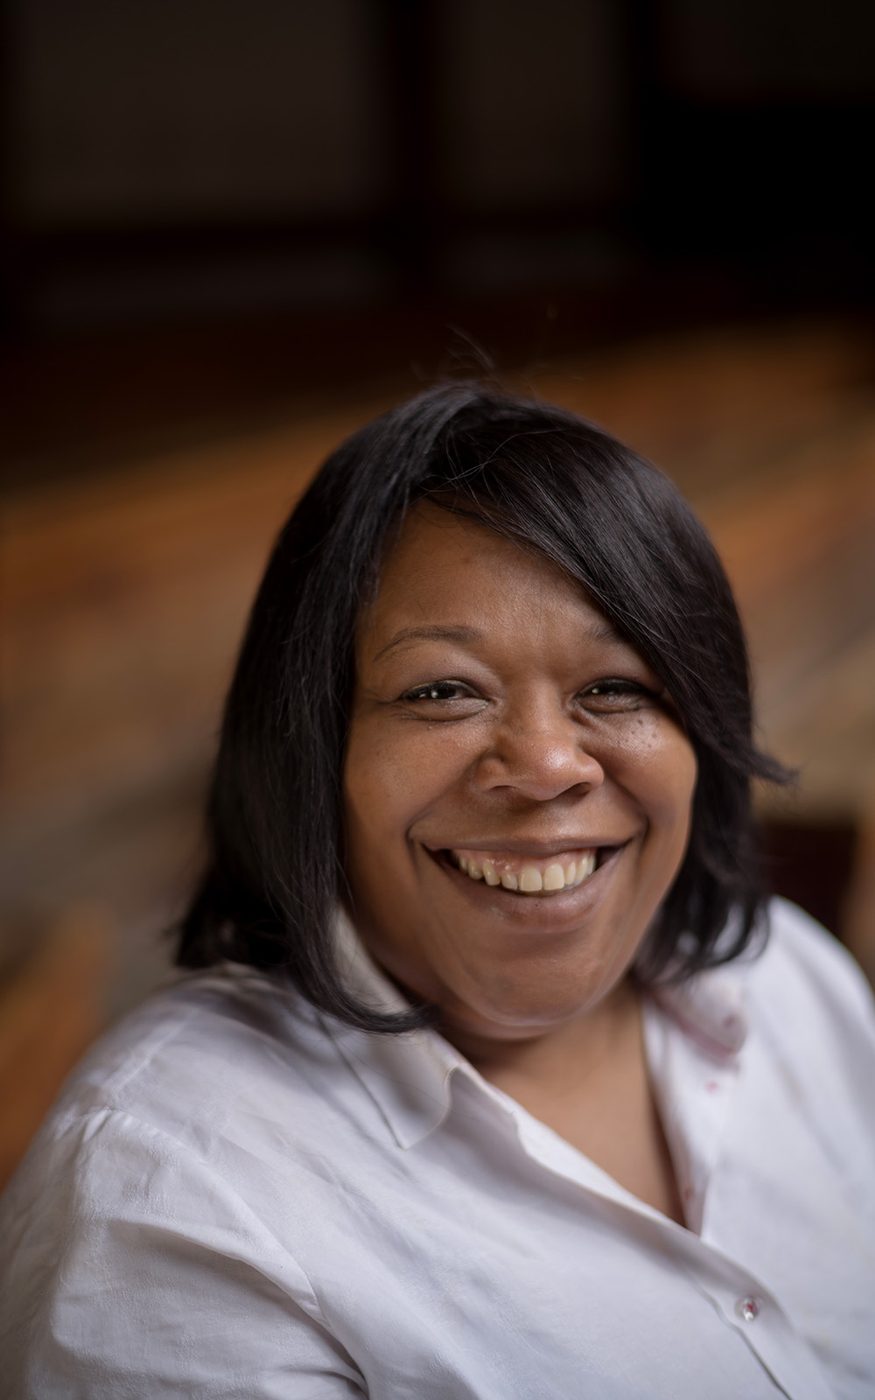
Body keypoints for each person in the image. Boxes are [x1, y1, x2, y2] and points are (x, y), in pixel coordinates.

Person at [1, 383, 873, 1399]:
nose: (546, 763)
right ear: (312, 749)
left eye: (616, 687)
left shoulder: (787, 977)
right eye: (440, 691)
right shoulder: (177, 1199)